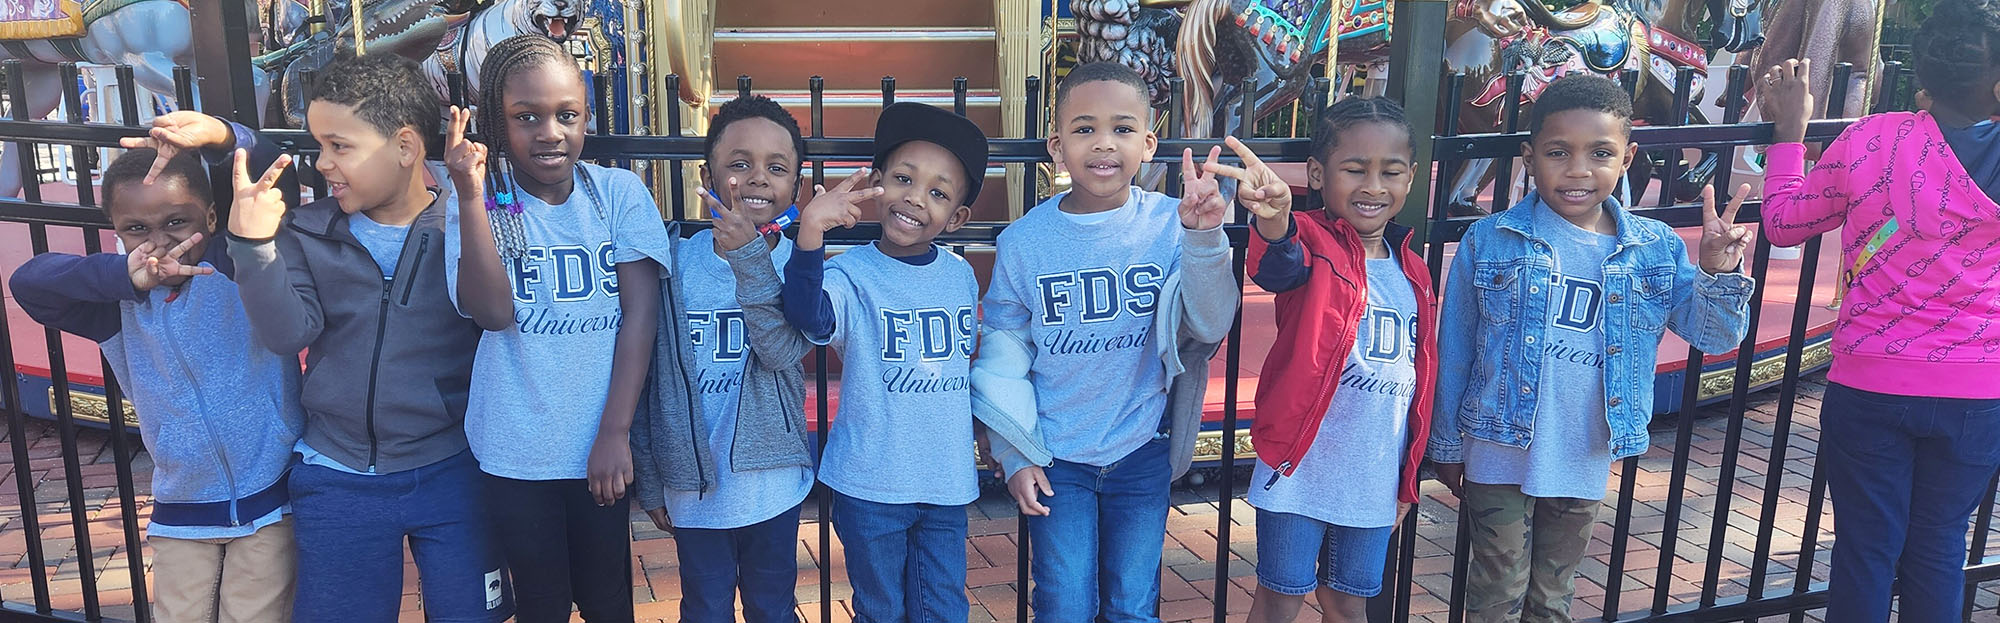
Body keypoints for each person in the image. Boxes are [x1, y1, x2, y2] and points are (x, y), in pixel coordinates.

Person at [1431, 74, 1755, 622]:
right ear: (1530, 158)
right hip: (1497, 446)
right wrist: (1445, 443)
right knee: (1496, 594)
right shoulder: (1490, 240)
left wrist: (1718, 273)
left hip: (1583, 450)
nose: (1578, 170)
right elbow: (1456, 346)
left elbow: (1715, 335)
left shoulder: (1654, 248)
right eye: (1559, 152)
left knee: (1553, 596)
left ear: (1627, 158)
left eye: (1599, 153)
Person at [224, 52, 510, 623]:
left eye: (340, 146)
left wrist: (468, 202)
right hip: (338, 475)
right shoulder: (310, 231)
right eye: (320, 145)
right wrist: (253, 248)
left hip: (452, 468)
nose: (323, 163)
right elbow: (287, 333)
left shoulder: (465, 226)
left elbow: (494, 314)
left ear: (405, 148)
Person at [1758, 0, 2000, 617]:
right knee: (1941, 544)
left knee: (1866, 548)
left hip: (1870, 382)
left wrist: (1789, 139)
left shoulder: (1872, 138)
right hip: (1978, 390)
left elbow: (1785, 225)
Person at [974, 61, 1238, 622]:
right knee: (1064, 603)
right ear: (1057, 145)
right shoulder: (1024, 242)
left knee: (1132, 603)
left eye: (1121, 129)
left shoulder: (1173, 222)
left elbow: (1212, 323)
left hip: (1141, 448)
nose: (1103, 144)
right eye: (1084, 128)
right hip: (1055, 455)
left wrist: (1204, 236)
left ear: (1148, 142)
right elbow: (1002, 354)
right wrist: (1014, 453)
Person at [10, 142, 302, 623]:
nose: (160, 241)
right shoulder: (116, 306)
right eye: (137, 229)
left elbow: (275, 173)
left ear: (211, 218)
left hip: (269, 498)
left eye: (176, 222)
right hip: (182, 508)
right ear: (117, 232)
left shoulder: (236, 269)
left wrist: (222, 134)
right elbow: (29, 284)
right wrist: (122, 278)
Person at [445, 35, 674, 622]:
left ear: (586, 118)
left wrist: (615, 432)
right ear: (497, 122)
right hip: (515, 450)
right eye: (527, 117)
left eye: (566, 115)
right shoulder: (479, 201)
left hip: (601, 444)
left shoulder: (617, 194)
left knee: (607, 602)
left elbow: (639, 317)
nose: (550, 132)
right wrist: (470, 196)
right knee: (541, 605)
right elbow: (491, 314)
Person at [1221, 97, 1435, 623]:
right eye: (1355, 169)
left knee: (1347, 602)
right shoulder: (1313, 240)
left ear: (1410, 178)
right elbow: (1280, 265)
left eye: (1390, 172)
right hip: (1302, 466)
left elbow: (1422, 378)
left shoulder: (1414, 269)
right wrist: (1274, 221)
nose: (1373, 186)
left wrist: (1407, 480)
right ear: (1318, 173)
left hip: (1373, 472)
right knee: (1281, 595)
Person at [782, 101, 986, 623]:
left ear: (958, 217)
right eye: (903, 178)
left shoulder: (961, 276)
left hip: (945, 481)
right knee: (881, 609)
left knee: (943, 607)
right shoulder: (852, 275)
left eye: (938, 193)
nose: (915, 199)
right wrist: (810, 233)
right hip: (871, 482)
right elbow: (808, 318)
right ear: (876, 183)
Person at [630, 94, 817, 623]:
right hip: (692, 487)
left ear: (795, 186)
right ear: (707, 174)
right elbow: (649, 377)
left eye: (776, 168)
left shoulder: (798, 265)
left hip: (772, 482)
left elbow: (781, 351)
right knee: (705, 608)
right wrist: (649, 475)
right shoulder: (674, 263)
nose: (758, 178)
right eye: (740, 164)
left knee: (772, 607)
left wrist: (749, 259)